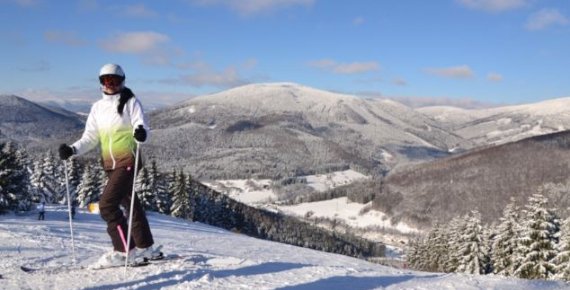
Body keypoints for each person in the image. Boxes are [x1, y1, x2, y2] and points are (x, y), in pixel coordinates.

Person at [58, 64, 162, 267]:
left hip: (128, 160)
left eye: (114, 80)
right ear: (100, 83)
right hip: (110, 164)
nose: (110, 84)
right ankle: (145, 246)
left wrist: (141, 133)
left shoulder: (130, 102)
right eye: (105, 80)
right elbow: (90, 137)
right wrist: (73, 149)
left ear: (122, 81)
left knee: (107, 205)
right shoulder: (97, 107)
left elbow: (141, 125)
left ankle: (125, 251)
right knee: (129, 201)